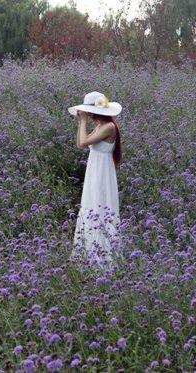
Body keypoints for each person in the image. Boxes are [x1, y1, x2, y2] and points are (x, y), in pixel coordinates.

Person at [67, 91, 123, 272]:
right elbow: (80, 142)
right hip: (95, 170)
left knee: (101, 206)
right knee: (90, 206)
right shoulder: (100, 126)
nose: (87, 116)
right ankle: (89, 255)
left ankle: (104, 261)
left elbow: (83, 143)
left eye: (88, 113)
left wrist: (82, 121)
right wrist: (80, 123)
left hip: (102, 173)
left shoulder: (109, 127)